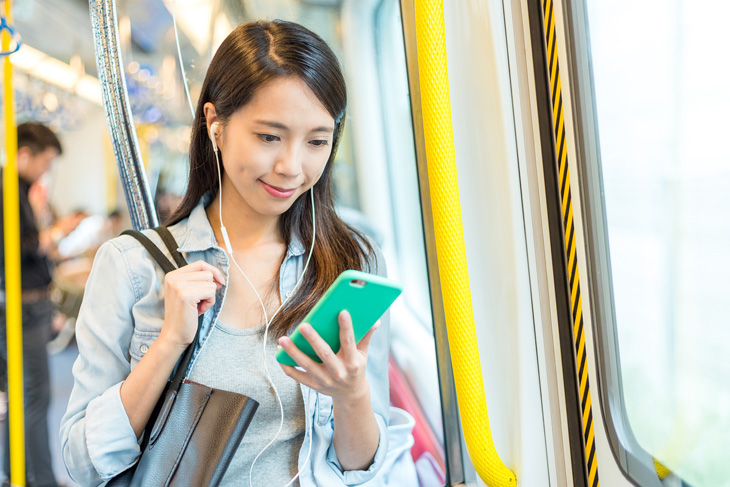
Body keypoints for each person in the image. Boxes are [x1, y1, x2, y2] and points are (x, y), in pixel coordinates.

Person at [61, 20, 417, 487]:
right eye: (269, 137)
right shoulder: (132, 266)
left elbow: (362, 468)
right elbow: (81, 465)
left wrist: (351, 395)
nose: (292, 167)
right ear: (215, 125)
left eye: (316, 141)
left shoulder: (352, 264)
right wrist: (169, 343)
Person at [0, 122, 82, 487]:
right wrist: (55, 233)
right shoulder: (9, 192)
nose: (48, 169)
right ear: (24, 155)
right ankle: (40, 478)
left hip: (25, 305)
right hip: (21, 308)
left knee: (16, 395)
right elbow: (20, 247)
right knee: (34, 396)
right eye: (45, 161)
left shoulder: (21, 191)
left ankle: (15, 470)